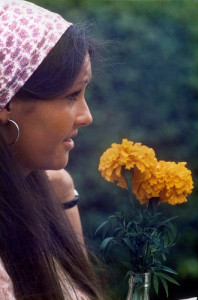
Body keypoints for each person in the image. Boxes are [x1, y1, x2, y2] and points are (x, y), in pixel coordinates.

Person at [0, 0, 104, 299]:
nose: (86, 116)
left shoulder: (38, 193)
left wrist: (65, 196)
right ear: (7, 101)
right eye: (72, 95)